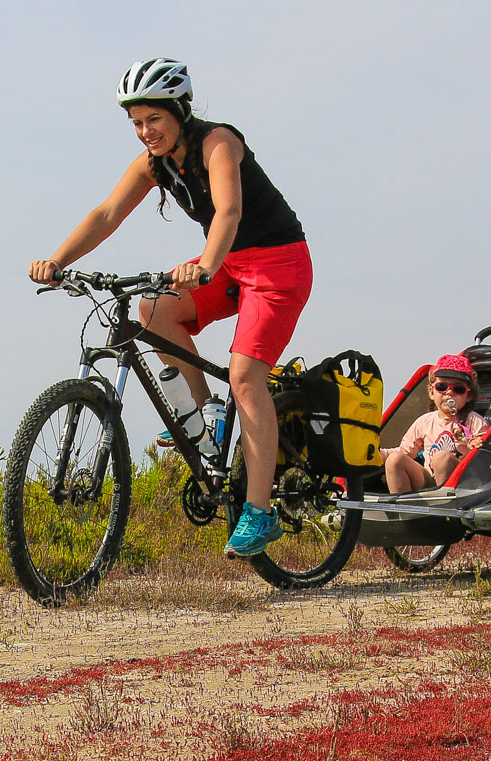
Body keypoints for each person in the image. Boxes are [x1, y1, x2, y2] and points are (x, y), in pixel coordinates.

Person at [28, 58, 312, 558]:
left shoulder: (218, 142)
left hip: (276, 263)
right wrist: (57, 259)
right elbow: (107, 212)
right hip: (226, 263)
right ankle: (206, 416)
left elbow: (229, 210)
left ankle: (260, 511)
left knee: (246, 375)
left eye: (153, 119)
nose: (144, 132)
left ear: (180, 111)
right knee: (153, 311)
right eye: (136, 122)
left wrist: (204, 264)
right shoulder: (154, 163)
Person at [386, 354, 488, 493]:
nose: (449, 393)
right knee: (394, 460)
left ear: (468, 396)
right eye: (442, 387)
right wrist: (376, 453)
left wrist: (476, 445)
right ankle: (403, 508)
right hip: (429, 481)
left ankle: (445, 505)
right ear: (431, 392)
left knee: (442, 457)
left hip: (461, 484)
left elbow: (488, 455)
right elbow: (405, 451)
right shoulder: (425, 421)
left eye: (458, 389)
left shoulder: (473, 420)